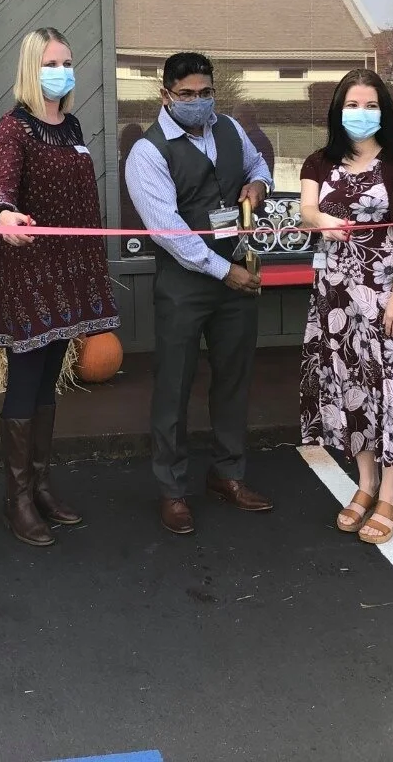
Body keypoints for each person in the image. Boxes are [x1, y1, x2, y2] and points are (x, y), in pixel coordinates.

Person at [124, 52, 273, 534]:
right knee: (174, 385)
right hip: (185, 284)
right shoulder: (147, 153)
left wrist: (258, 184)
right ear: (165, 95)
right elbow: (169, 231)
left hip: (235, 275)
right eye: (186, 94)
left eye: (205, 93)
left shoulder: (229, 128)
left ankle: (228, 474)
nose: (197, 101)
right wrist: (224, 271)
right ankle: (172, 490)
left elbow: (257, 163)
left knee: (233, 379)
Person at [0, 28, 120, 546]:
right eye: (50, 63)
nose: (61, 72)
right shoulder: (14, 126)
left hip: (68, 270)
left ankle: (40, 486)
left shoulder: (73, 125)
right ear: (31, 68)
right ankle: (16, 499)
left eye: (66, 62)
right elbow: (2, 185)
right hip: (28, 271)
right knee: (25, 379)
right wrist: (4, 214)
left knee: (48, 381)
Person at [299, 69, 393, 544]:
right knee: (350, 387)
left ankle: (392, 495)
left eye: (370, 105)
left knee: (390, 387)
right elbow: (307, 210)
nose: (361, 113)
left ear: (384, 110)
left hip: (386, 292)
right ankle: (366, 483)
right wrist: (321, 218)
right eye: (352, 105)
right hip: (335, 298)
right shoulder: (319, 161)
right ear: (339, 111)